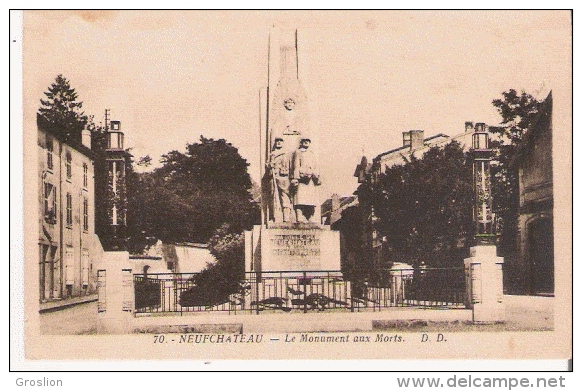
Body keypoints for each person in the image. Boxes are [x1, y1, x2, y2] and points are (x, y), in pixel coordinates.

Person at [291, 137, 321, 223]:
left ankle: (310, 217)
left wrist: (316, 175)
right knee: (300, 198)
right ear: (302, 142)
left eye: (308, 141)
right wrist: (296, 177)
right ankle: (299, 216)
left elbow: (316, 166)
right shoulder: (298, 152)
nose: (306, 142)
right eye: (305, 141)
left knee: (311, 199)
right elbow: (296, 165)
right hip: (302, 179)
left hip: (311, 179)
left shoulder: (312, 154)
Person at [267, 137, 293, 223]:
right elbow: (268, 165)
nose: (278, 142)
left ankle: (286, 217)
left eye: (280, 141)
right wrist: (269, 165)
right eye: (277, 141)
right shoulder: (272, 154)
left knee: (285, 197)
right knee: (273, 197)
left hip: (283, 177)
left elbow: (290, 166)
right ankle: (275, 217)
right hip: (273, 176)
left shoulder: (286, 154)